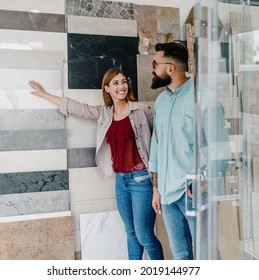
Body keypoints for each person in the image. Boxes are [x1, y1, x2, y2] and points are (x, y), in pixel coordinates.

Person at [28, 68, 164, 260]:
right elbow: (78, 108)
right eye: (115, 83)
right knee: (131, 234)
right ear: (107, 89)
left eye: (123, 82)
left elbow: (158, 146)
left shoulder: (141, 110)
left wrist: (157, 186)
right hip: (121, 181)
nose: (121, 86)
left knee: (145, 235)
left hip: (142, 180)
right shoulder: (105, 114)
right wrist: (45, 94)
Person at [148, 42, 230, 259]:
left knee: (207, 255)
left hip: (193, 192)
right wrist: (156, 188)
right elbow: (156, 146)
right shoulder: (161, 102)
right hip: (167, 196)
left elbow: (219, 147)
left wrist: (207, 181)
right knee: (181, 256)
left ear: (170, 68)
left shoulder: (204, 99)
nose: (152, 69)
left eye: (155, 64)